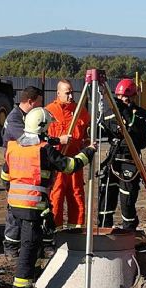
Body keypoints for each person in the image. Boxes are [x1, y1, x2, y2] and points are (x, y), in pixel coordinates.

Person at [0, 107, 97, 288]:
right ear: (43, 128)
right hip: (32, 207)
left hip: (14, 206)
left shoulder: (13, 147)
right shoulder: (44, 150)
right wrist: (89, 151)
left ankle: (36, 276)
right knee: (29, 247)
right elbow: (69, 166)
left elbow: (5, 177)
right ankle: (21, 287)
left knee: (33, 244)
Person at [1, 86, 68, 259]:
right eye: (39, 103)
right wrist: (56, 141)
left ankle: (41, 245)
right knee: (15, 213)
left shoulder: (24, 117)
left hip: (30, 170)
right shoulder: (15, 119)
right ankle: (11, 248)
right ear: (31, 101)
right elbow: (27, 140)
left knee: (41, 210)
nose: (41, 107)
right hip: (19, 171)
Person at [97, 78, 146, 231]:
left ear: (134, 97)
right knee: (106, 196)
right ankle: (104, 229)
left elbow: (139, 130)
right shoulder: (109, 114)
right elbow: (98, 130)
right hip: (113, 159)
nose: (122, 100)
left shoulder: (141, 115)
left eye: (126, 97)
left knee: (127, 200)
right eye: (119, 97)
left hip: (130, 161)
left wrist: (125, 113)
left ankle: (129, 231)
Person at [46, 79, 90, 229]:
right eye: (67, 93)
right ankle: (55, 229)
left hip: (75, 161)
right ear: (58, 93)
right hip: (57, 162)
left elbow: (86, 134)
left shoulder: (80, 111)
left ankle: (76, 228)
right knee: (56, 196)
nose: (71, 96)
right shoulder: (49, 111)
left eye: (72, 93)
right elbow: (44, 139)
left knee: (76, 194)